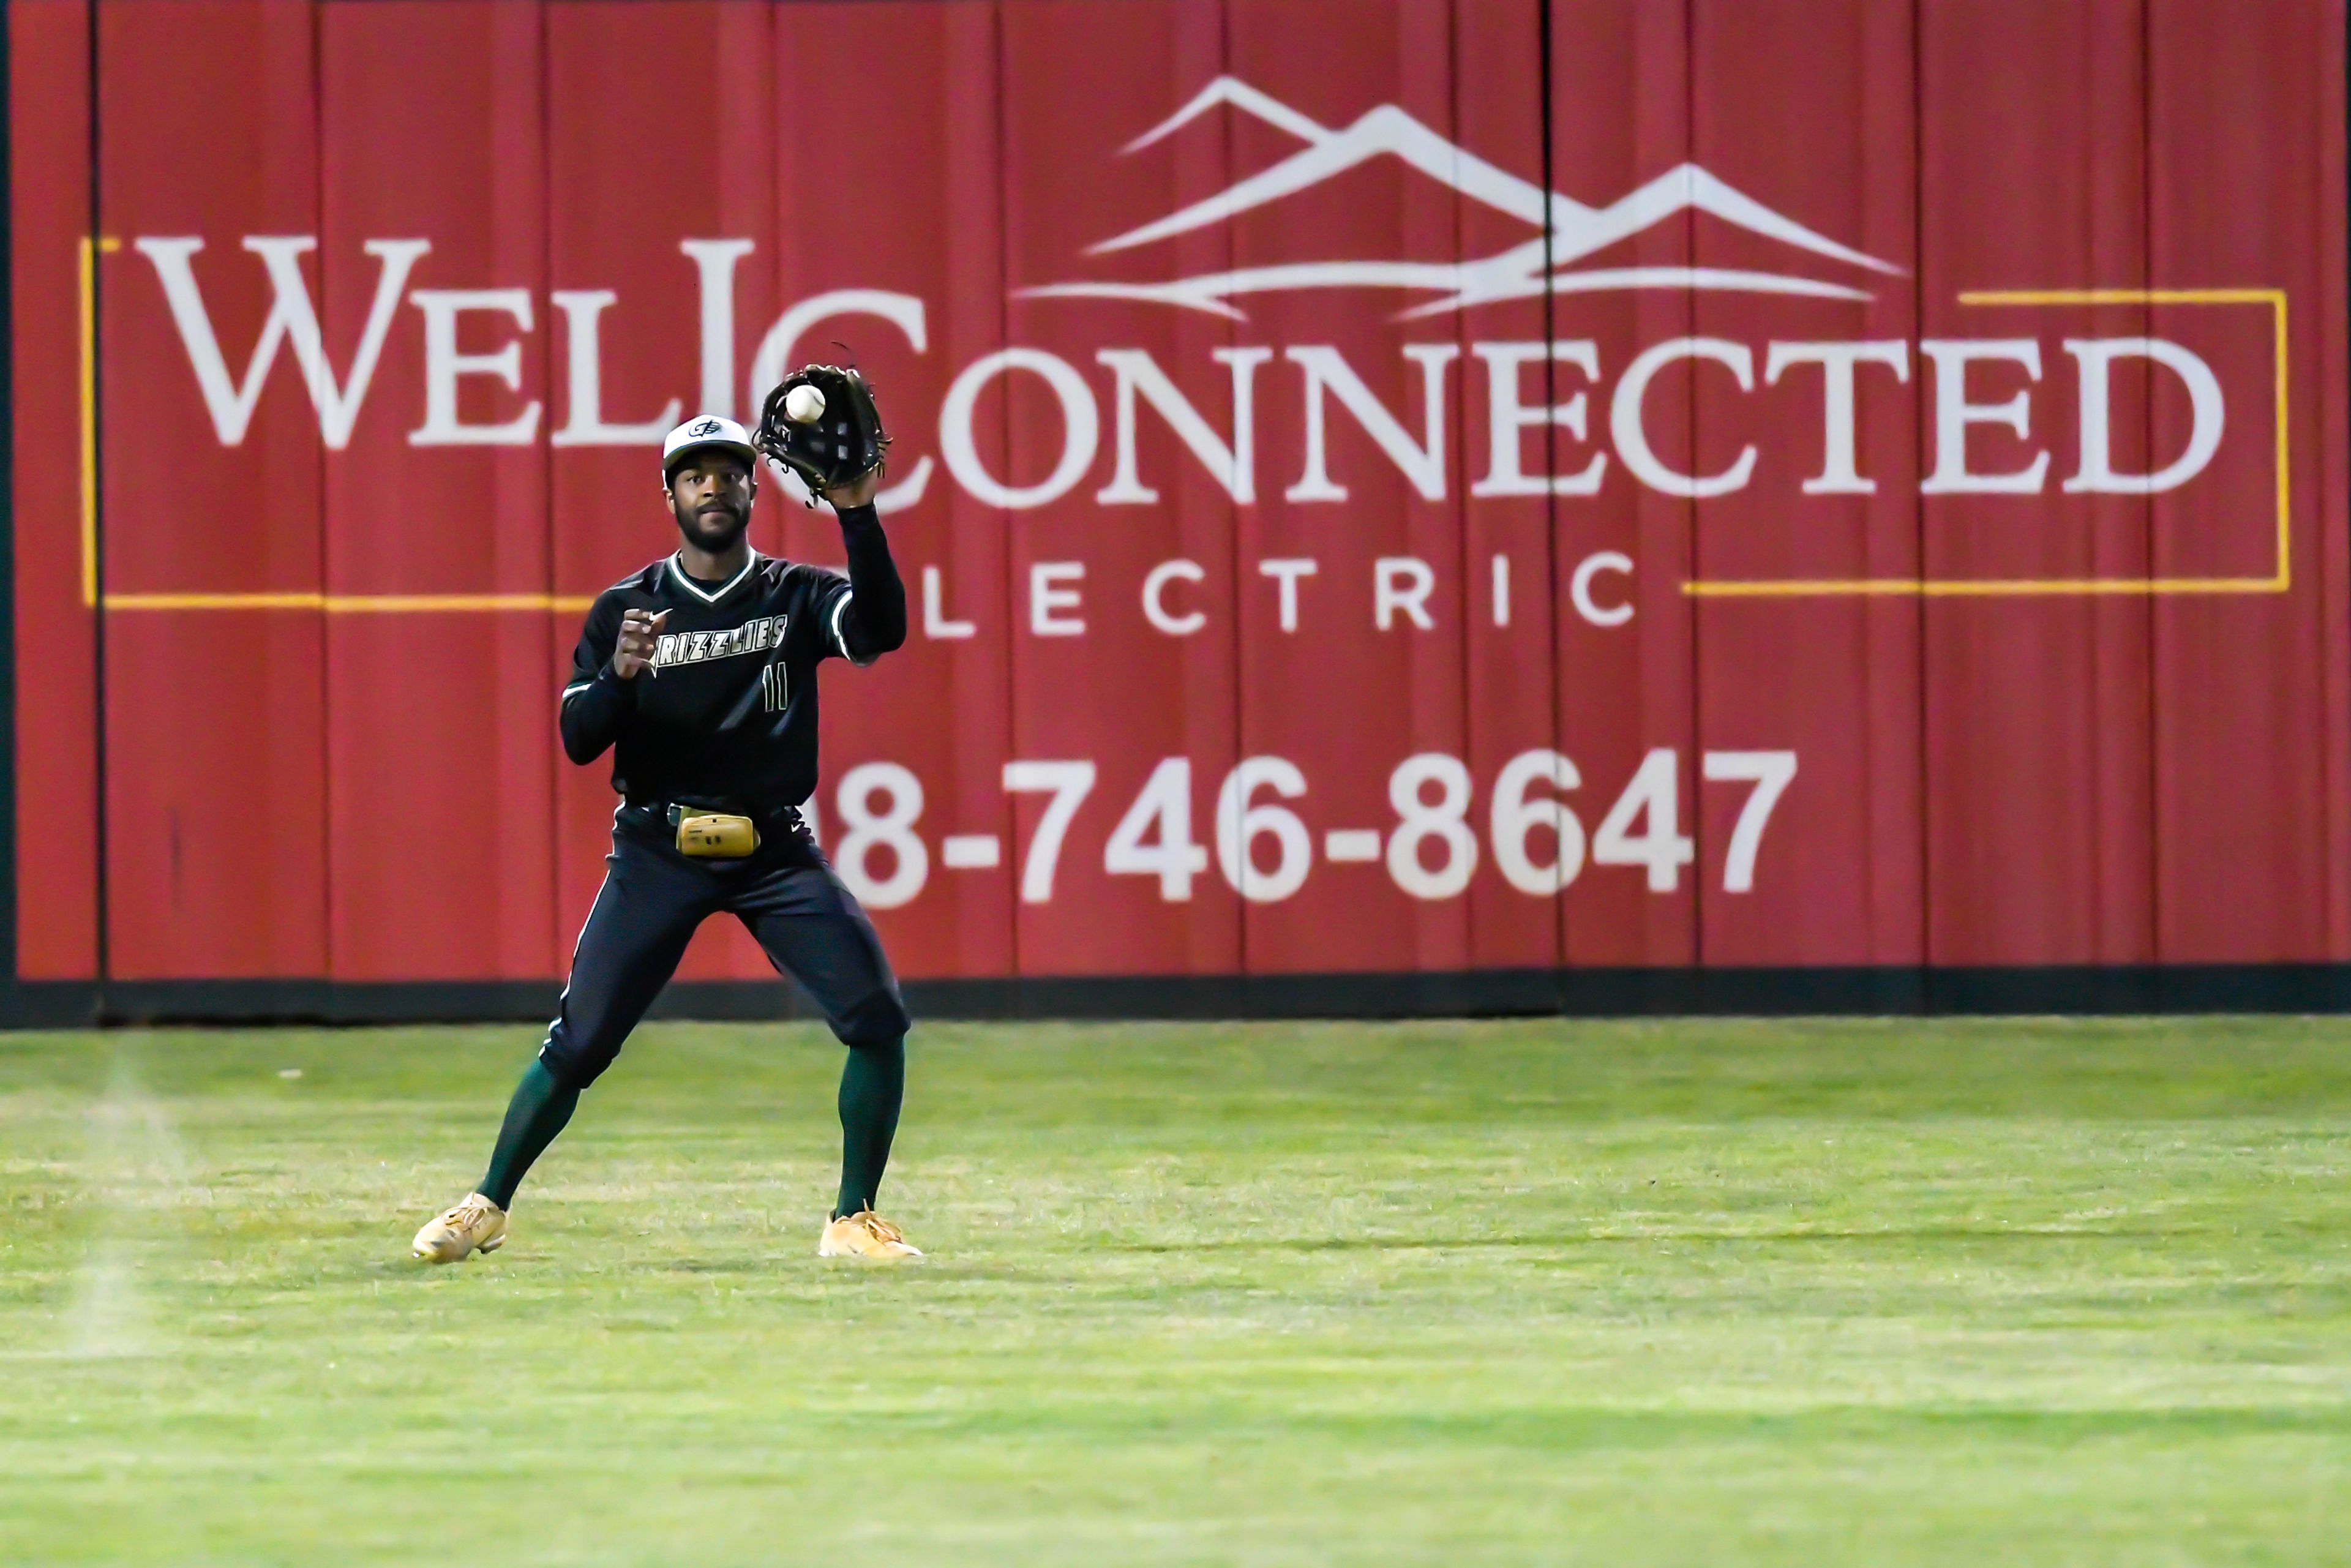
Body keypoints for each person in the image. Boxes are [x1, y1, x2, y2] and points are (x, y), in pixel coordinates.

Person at [411, 413, 918, 1263]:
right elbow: (578, 738)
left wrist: (858, 510)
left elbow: (881, 630)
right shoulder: (628, 608)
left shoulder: (795, 592)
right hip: (658, 846)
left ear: (756, 488)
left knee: (876, 1016)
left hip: (771, 850)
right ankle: (486, 1203)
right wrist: (618, 677)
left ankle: (852, 1217)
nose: (712, 487)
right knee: (579, 1041)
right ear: (670, 495)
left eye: (728, 472)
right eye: (694, 475)